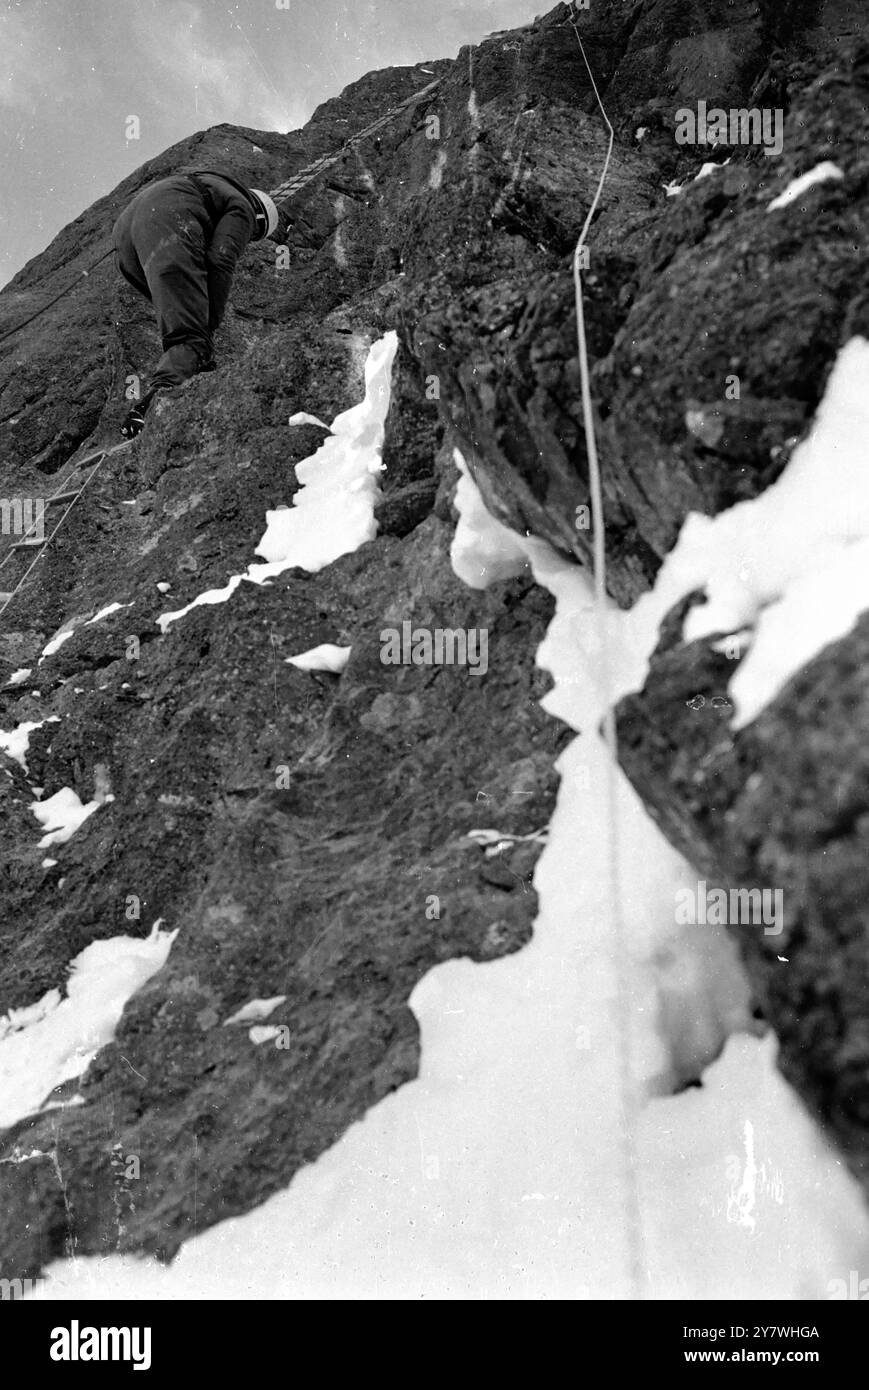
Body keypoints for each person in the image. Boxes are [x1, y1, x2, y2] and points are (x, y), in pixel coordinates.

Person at [112, 170, 280, 437]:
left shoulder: (214, 184)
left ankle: (185, 370)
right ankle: (154, 409)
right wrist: (209, 322)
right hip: (167, 222)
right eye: (253, 235)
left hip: (127, 235)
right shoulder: (245, 209)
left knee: (183, 320)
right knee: (192, 335)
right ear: (259, 220)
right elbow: (220, 260)